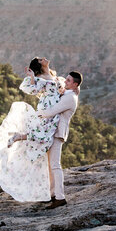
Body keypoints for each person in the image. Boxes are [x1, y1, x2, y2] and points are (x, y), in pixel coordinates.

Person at [0, 57, 64, 202]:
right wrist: (32, 78)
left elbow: (61, 89)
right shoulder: (39, 78)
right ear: (39, 64)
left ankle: (51, 190)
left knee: (45, 139)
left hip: (56, 111)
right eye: (40, 59)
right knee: (44, 136)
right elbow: (28, 89)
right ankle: (18, 137)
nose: (44, 58)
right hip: (47, 109)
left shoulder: (53, 74)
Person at [37, 71, 82, 208]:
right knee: (50, 165)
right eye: (66, 79)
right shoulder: (67, 94)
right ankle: (51, 194)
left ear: (75, 84)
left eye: (68, 81)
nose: (65, 82)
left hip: (57, 133)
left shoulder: (70, 98)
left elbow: (52, 111)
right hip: (52, 131)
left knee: (55, 165)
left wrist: (38, 113)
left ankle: (60, 197)